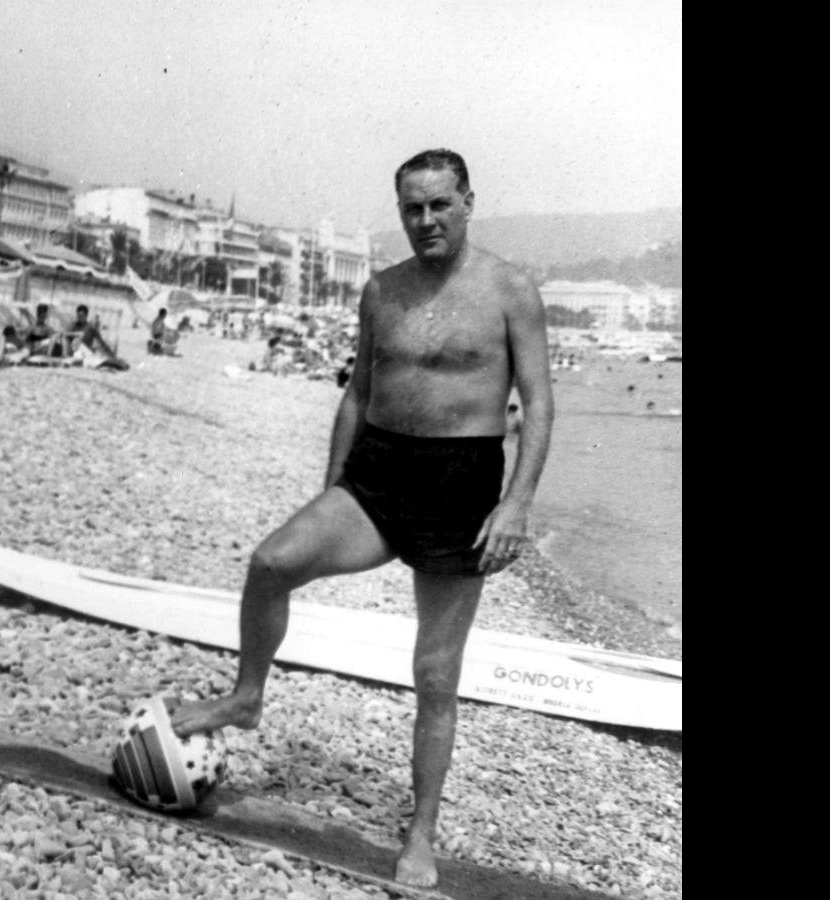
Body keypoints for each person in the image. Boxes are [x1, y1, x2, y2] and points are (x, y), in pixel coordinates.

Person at [169, 149, 553, 889]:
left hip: (461, 487)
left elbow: (538, 402)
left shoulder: (510, 290)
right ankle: (247, 697)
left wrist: (519, 501)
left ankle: (421, 832)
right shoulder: (381, 291)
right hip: (378, 473)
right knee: (272, 562)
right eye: (412, 207)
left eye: (440, 204)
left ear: (469, 201)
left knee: (435, 675)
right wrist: (334, 484)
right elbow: (357, 391)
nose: (425, 220)